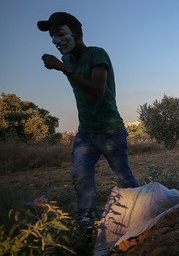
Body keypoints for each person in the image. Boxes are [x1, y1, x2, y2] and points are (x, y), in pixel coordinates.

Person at [37, 12, 140, 234]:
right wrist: (64, 66)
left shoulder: (97, 55)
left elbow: (97, 92)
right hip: (86, 132)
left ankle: (143, 210)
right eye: (52, 37)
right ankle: (87, 226)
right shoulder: (67, 60)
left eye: (61, 34)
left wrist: (64, 69)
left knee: (124, 176)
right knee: (80, 174)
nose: (56, 41)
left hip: (110, 130)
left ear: (78, 33)